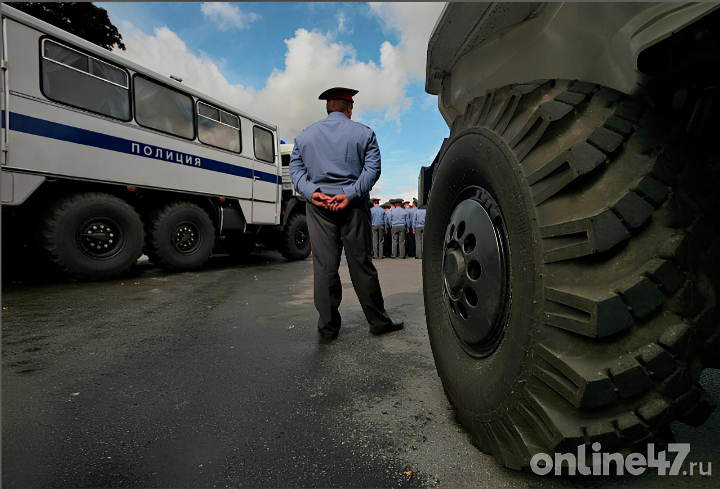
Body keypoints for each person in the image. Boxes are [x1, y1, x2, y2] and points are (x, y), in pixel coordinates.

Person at [289, 87, 403, 340]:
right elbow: (372, 170)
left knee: (325, 266)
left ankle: (328, 326)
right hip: (353, 206)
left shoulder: (304, 136)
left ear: (328, 108)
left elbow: (295, 170)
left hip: (318, 208)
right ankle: (378, 322)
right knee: (361, 263)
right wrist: (350, 194)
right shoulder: (365, 133)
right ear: (349, 109)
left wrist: (312, 192)